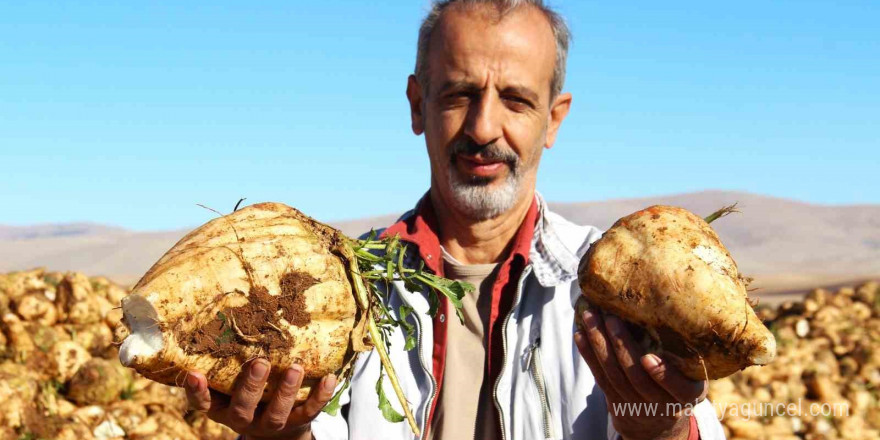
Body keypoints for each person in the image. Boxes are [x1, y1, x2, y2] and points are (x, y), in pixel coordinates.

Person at [184, 1, 726, 439]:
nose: (485, 127)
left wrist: (661, 431)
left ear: (553, 119)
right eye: (459, 94)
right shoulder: (337, 292)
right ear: (418, 105)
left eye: (515, 100)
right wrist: (281, 435)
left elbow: (691, 426)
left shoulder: (618, 292)